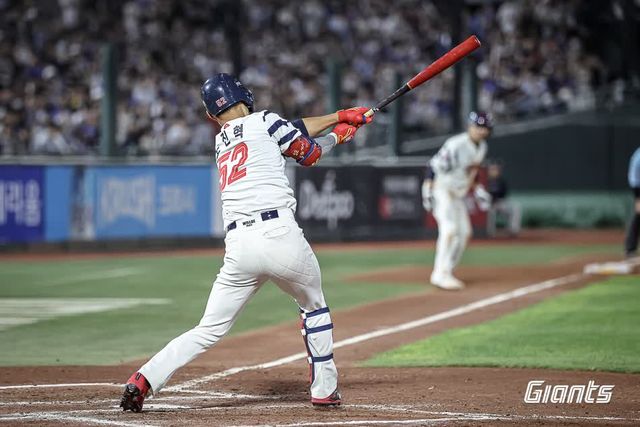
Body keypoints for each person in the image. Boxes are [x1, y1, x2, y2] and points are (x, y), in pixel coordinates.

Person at [119, 73, 373, 412]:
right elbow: (309, 153)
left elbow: (292, 127)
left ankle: (144, 378)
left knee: (208, 328)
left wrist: (339, 115)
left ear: (211, 114)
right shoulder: (266, 121)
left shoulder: (223, 140)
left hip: (239, 248)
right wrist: (337, 136)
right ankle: (324, 389)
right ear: (244, 95)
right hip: (279, 235)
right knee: (314, 306)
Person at [422, 111, 493, 290]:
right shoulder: (456, 144)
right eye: (478, 126)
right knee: (449, 230)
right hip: (441, 189)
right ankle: (439, 274)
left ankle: (447, 270)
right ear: (470, 126)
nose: (481, 131)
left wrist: (478, 189)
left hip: (458, 194)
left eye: (485, 127)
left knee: (464, 233)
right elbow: (433, 165)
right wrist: (428, 189)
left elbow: (472, 172)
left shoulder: (482, 147)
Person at [486, 161, 521, 237]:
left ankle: (513, 230)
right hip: (488, 204)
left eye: (495, 169)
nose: (493, 171)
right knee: (490, 211)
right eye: (492, 169)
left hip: (499, 203)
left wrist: (496, 198)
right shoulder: (485, 181)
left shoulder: (501, 181)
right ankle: (490, 232)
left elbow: (504, 194)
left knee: (515, 207)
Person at [624, 147, 640, 257]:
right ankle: (630, 248)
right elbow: (634, 179)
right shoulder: (638, 156)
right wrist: (638, 197)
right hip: (638, 187)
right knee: (639, 213)